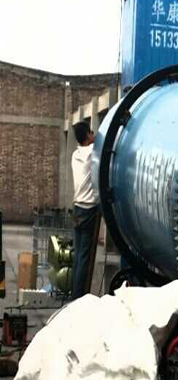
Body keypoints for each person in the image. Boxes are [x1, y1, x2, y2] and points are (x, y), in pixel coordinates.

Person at [71, 121, 100, 299]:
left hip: (77, 209)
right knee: (84, 257)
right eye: (91, 132)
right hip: (89, 210)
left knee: (78, 256)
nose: (93, 135)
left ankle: (74, 295)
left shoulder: (75, 155)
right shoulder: (91, 152)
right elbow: (101, 142)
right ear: (87, 136)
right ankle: (78, 298)